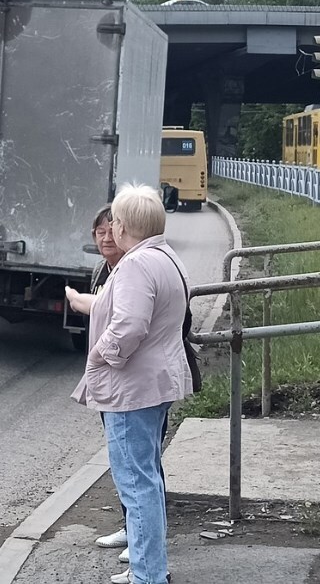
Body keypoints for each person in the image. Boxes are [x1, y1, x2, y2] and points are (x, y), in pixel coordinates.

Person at [70, 184, 192, 584]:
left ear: (124, 227)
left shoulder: (137, 265)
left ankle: (148, 575)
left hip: (132, 389)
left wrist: (100, 355)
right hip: (154, 385)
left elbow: (129, 326)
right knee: (147, 482)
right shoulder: (165, 256)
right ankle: (148, 567)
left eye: (116, 222)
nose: (113, 228)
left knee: (137, 485)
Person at [66, 207, 132, 561]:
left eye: (112, 231)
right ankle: (131, 527)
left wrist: (81, 304)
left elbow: (127, 324)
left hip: (132, 380)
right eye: (99, 233)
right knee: (122, 458)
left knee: (138, 462)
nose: (106, 238)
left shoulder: (132, 270)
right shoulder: (101, 270)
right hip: (112, 379)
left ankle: (143, 540)